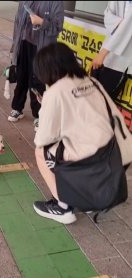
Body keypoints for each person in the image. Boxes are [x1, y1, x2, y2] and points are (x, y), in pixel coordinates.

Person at [31, 42, 130, 224]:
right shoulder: (92, 82)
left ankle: (63, 207)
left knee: (40, 152)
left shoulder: (55, 92)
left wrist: (44, 107)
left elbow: (44, 138)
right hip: (121, 151)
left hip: (96, 158)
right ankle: (87, 196)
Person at [7, 1, 64, 131]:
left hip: (41, 48)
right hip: (23, 44)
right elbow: (17, 23)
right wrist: (15, 45)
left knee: (38, 81)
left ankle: (39, 115)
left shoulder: (56, 2)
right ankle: (17, 108)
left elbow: (58, 26)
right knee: (21, 77)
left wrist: (41, 22)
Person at [91, 1, 132, 100]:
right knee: (91, 99)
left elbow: (127, 26)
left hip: (120, 61)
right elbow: (107, 14)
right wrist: (118, 22)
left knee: (103, 103)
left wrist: (103, 53)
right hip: (105, 55)